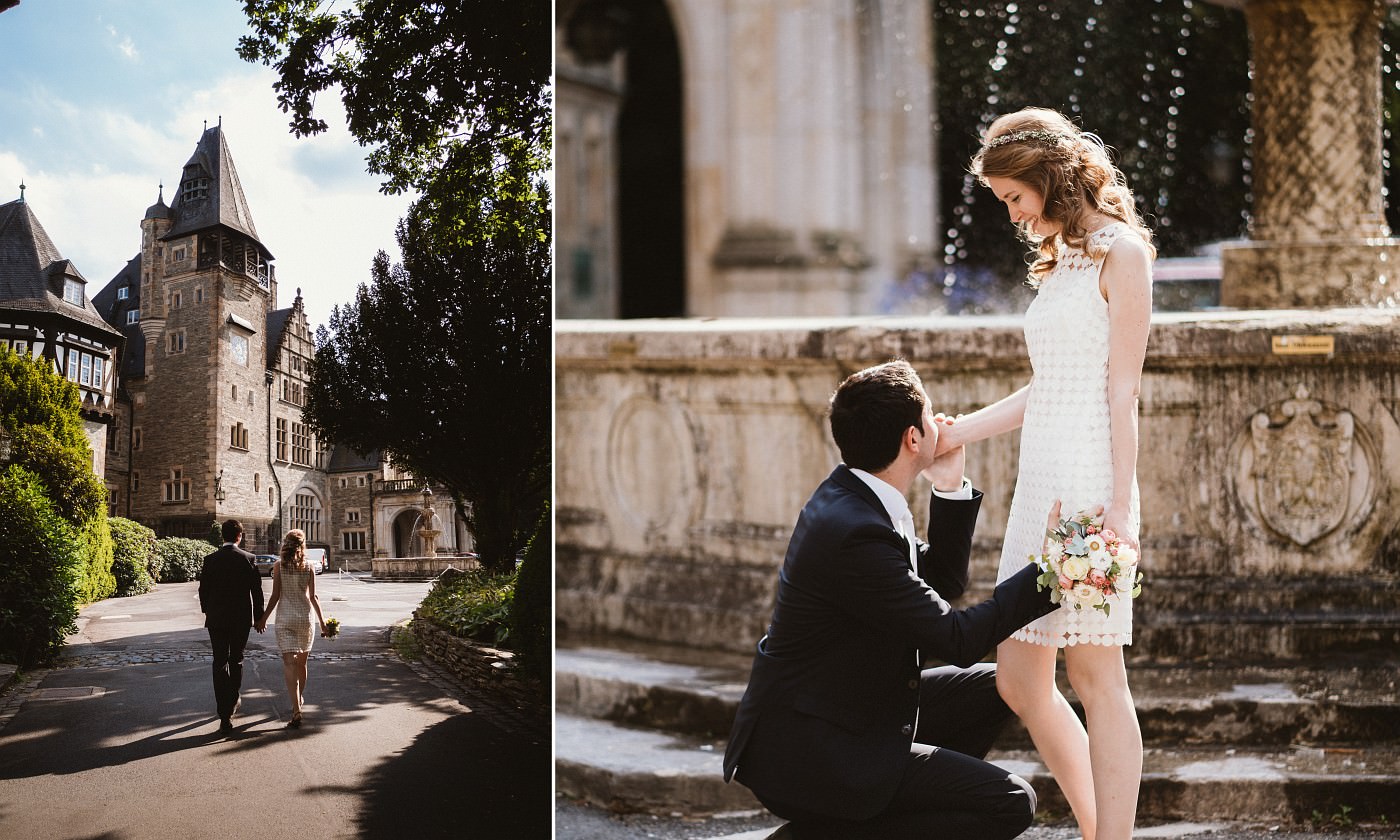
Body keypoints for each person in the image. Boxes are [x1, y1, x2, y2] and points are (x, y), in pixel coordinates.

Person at [722, 360, 1064, 840]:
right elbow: (956, 637)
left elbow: (941, 581)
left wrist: (946, 486)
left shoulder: (857, 497)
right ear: (912, 439)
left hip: (851, 711)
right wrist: (1052, 572)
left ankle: (879, 804)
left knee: (1002, 686)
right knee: (1008, 802)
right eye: (928, 413)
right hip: (812, 752)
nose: (939, 421)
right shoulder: (853, 533)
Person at [937, 107, 1156, 840]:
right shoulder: (1061, 257)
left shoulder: (1122, 253)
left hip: (1090, 485)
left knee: (1097, 679)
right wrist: (957, 430)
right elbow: (1053, 383)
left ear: (1049, 179)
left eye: (1014, 197)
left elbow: (1121, 389)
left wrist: (1119, 507)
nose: (1012, 213)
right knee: (1020, 679)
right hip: (1039, 489)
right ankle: (1099, 829)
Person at [198, 519, 265, 735]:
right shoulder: (248, 559)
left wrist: (207, 610)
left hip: (216, 618)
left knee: (219, 661)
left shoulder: (210, 559)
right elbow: (257, 591)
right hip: (240, 619)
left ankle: (223, 712)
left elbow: (203, 590)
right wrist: (259, 617)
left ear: (222, 536)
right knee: (236, 659)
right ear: (239, 536)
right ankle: (233, 699)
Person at [257, 528, 327, 728]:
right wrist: (322, 623)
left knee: (289, 664)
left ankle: (296, 708)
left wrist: (263, 618)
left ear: (286, 543)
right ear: (303, 545)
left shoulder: (279, 566)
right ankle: (299, 699)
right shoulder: (309, 567)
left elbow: (275, 595)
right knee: (302, 664)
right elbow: (313, 597)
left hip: (285, 619)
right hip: (305, 618)